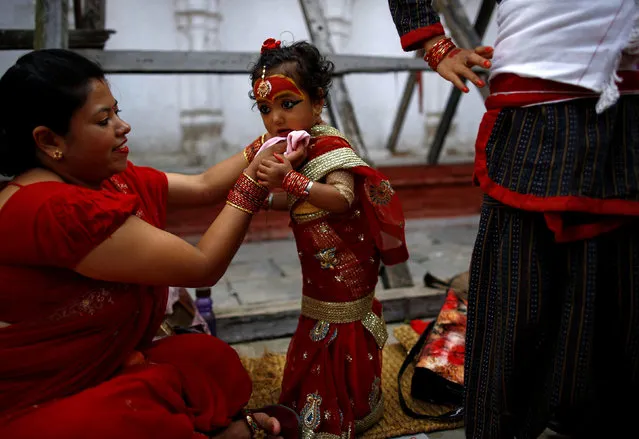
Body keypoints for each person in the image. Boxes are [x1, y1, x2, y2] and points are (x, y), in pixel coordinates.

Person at [0, 49, 304, 439]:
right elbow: (202, 265)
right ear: (48, 139)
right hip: (40, 394)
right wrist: (257, 181)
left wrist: (274, 136)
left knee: (210, 361)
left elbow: (204, 186)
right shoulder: (51, 209)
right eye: (103, 120)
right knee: (130, 421)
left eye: (116, 111)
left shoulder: (93, 176)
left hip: (102, 365)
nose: (123, 126)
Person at [388, 0, 639, 438]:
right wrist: (433, 44)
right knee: (514, 313)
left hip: (630, 117)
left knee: (621, 319)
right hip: (537, 111)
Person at [242, 38, 409, 438]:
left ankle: (351, 406)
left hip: (347, 263)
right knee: (316, 322)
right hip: (317, 266)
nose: (275, 119)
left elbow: (340, 198)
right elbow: (302, 204)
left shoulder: (332, 146)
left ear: (317, 103)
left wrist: (290, 180)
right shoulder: (288, 149)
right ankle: (310, 400)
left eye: (287, 104)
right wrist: (265, 199)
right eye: (265, 108)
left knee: (342, 327)